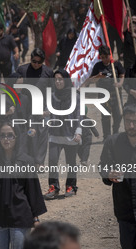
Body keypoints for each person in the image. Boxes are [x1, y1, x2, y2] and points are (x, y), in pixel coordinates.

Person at [0, 122, 47, 249]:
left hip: (20, 215)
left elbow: (33, 191)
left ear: (17, 137)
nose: (6, 139)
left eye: (10, 135)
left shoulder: (27, 161)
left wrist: (36, 219)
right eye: (3, 135)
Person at [99, 103, 136, 249]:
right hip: (125, 212)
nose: (131, 125)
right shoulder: (113, 142)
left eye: (135, 122)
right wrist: (109, 174)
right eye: (128, 121)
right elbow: (103, 167)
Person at [43, 70, 82, 200]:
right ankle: (53, 187)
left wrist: (78, 131)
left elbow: (79, 114)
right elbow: (48, 113)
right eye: (56, 79)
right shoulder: (52, 95)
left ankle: (71, 186)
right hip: (55, 134)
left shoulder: (75, 96)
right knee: (53, 161)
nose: (58, 82)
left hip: (70, 134)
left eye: (60, 79)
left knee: (71, 162)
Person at [17, 48, 53, 169]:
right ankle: (28, 160)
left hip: (42, 107)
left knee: (43, 134)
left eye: (39, 62)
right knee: (28, 133)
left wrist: (49, 108)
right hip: (26, 107)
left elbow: (51, 91)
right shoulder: (22, 70)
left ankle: (40, 161)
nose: (36, 64)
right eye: (34, 61)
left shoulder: (48, 72)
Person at [87, 45, 125, 141]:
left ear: (109, 55)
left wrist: (120, 83)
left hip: (115, 94)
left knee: (118, 115)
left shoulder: (116, 64)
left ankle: (115, 132)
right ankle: (107, 136)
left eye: (106, 57)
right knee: (105, 116)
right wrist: (98, 77)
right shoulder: (98, 66)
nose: (104, 59)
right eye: (102, 57)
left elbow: (122, 74)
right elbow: (92, 80)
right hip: (103, 95)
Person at [0, 23, 19, 98]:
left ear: (2, 30)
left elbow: (14, 47)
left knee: (8, 81)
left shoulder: (8, 38)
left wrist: (16, 53)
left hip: (7, 64)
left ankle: (10, 96)